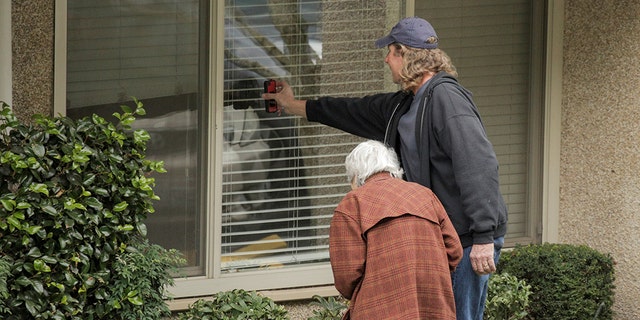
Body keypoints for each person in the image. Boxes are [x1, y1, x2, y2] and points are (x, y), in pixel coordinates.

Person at [263, 16, 508, 320]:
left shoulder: (446, 98)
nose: (386, 59)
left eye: (391, 52)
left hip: (468, 239)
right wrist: (292, 105)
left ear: (406, 54)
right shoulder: (405, 104)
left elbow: (478, 163)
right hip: (441, 239)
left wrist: (483, 237)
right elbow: (351, 111)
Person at [330, 140, 462, 320]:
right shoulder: (424, 195)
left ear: (357, 176)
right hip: (432, 307)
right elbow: (454, 251)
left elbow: (347, 276)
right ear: (392, 167)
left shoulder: (352, 204)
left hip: (379, 309)